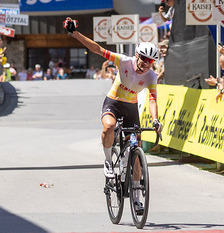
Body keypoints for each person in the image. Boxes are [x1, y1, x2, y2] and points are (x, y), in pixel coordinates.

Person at [63, 17, 162, 195]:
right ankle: (108, 160)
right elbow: (97, 49)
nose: (146, 64)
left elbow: (152, 99)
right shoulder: (124, 61)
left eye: (151, 62)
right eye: (144, 59)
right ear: (137, 55)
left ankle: (137, 196)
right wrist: (75, 33)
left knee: (136, 155)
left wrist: (155, 120)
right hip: (113, 103)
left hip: (131, 108)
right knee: (109, 127)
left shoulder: (151, 77)